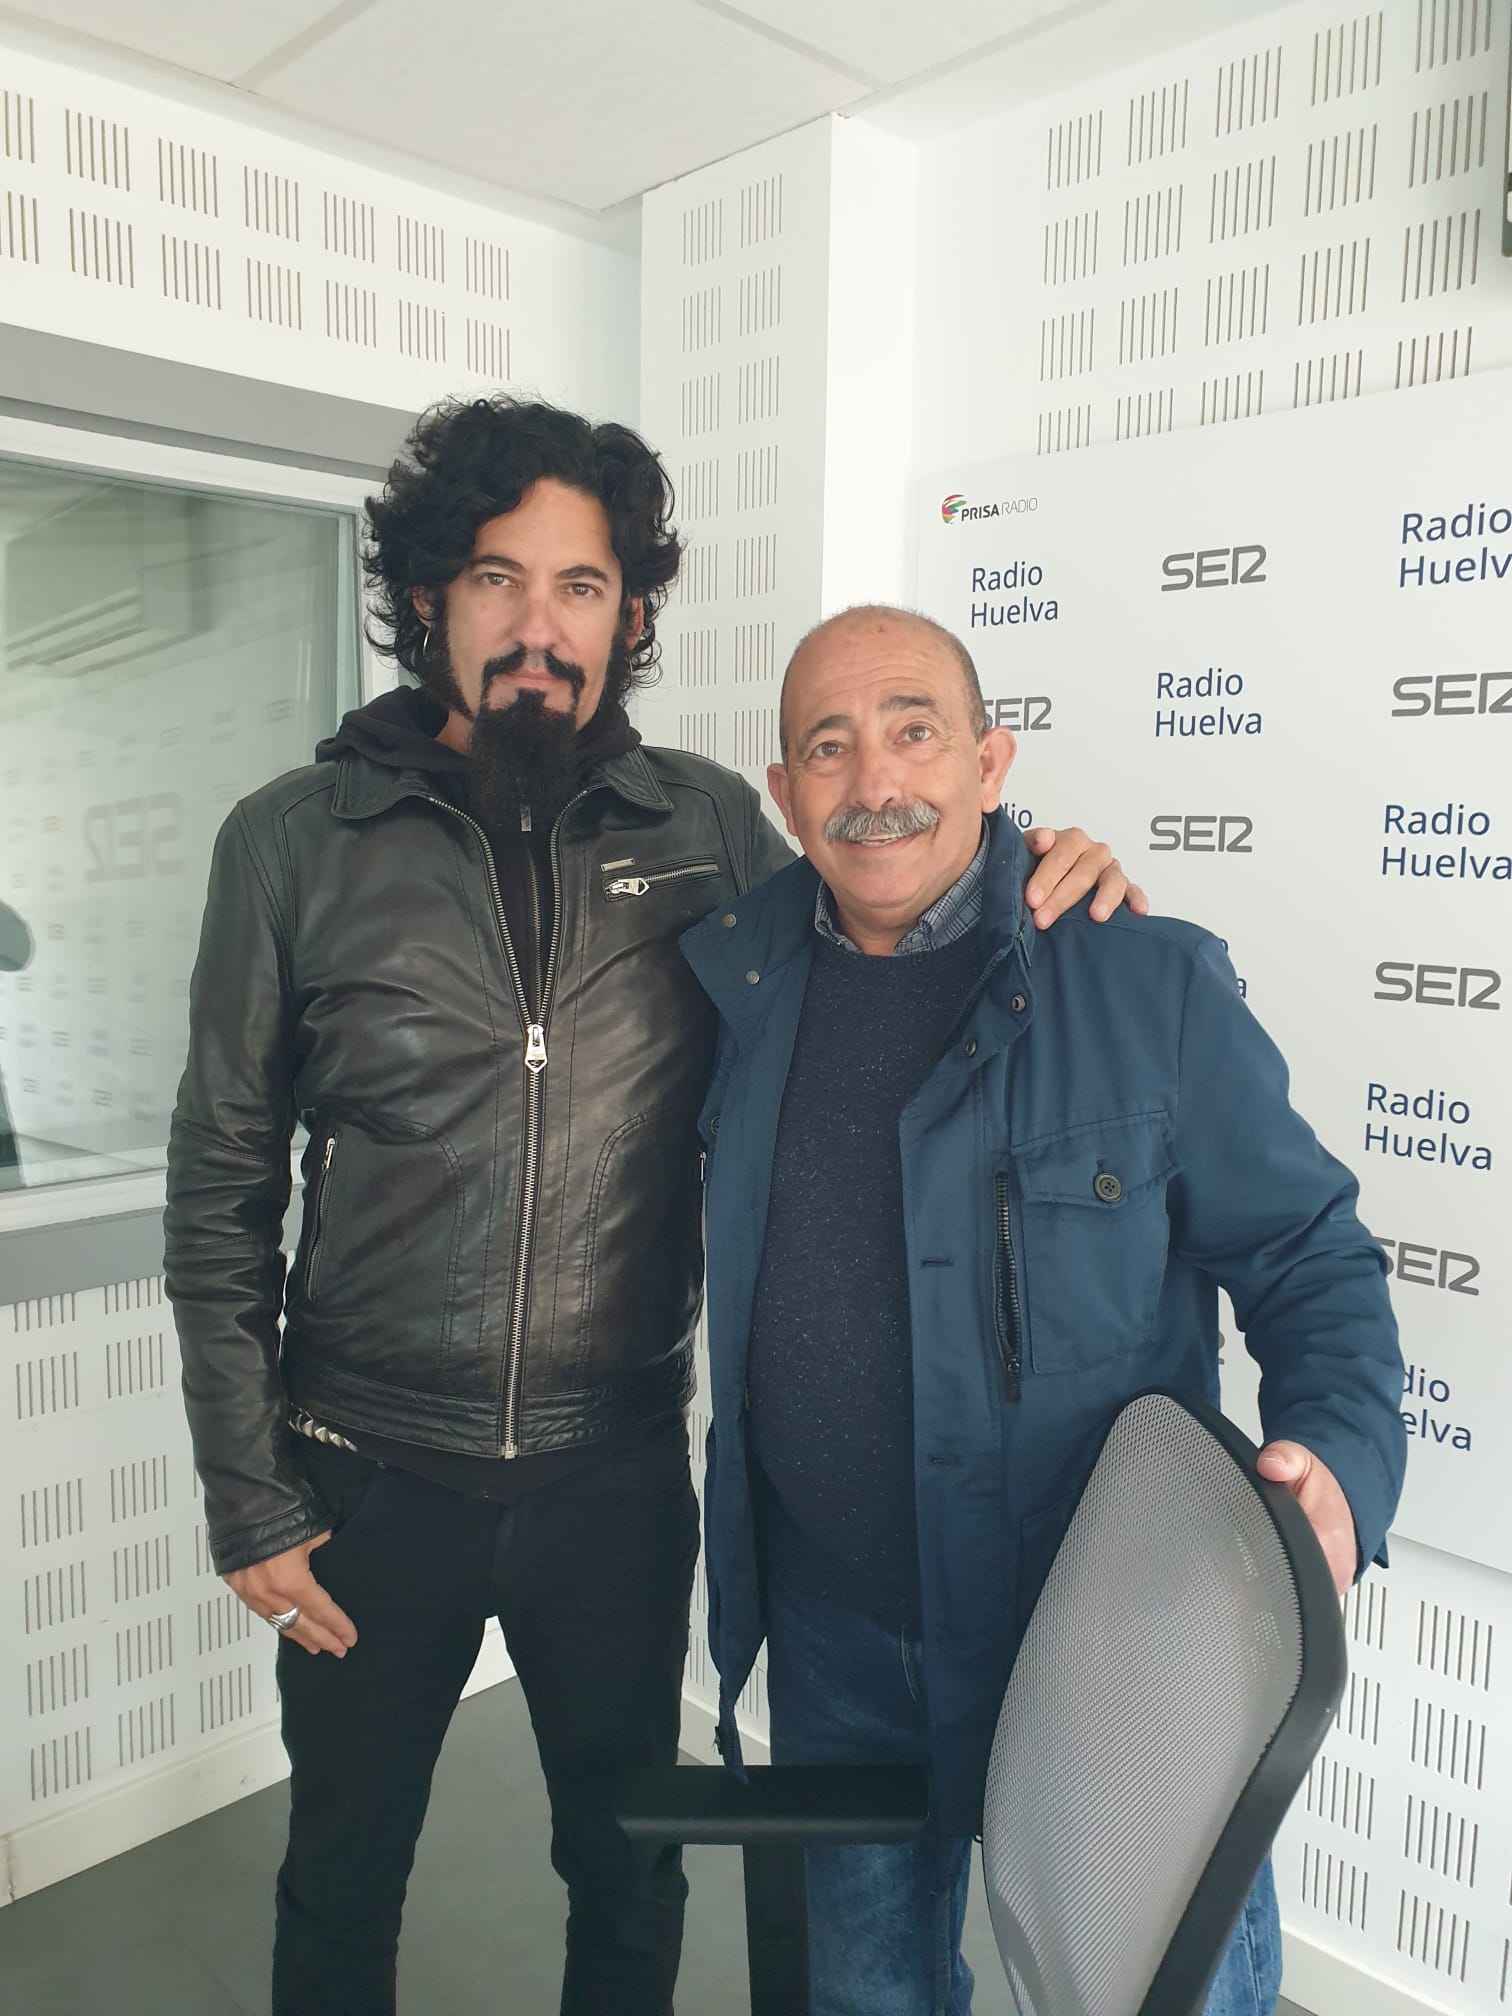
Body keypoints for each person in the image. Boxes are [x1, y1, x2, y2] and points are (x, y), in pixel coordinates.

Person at [162, 400, 1135, 2016]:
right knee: (342, 1873)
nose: (539, 627)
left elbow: (895, 925)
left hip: (610, 1480)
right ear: (428, 594)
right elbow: (219, 1194)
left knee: (629, 1871)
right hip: (366, 1475)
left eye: (583, 587)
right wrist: (249, 1495)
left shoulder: (708, 832)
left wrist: (1040, 875)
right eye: (498, 578)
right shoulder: (290, 845)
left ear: (628, 618)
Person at [684, 605, 1407, 2016]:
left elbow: (1311, 1253)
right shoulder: (734, 986)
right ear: (784, 792)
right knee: (867, 1998)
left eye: (914, 731)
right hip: (837, 1644)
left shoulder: (1145, 981)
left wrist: (1342, 1458)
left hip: (1110, 1648)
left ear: (990, 760)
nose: (874, 780)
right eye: (827, 747)